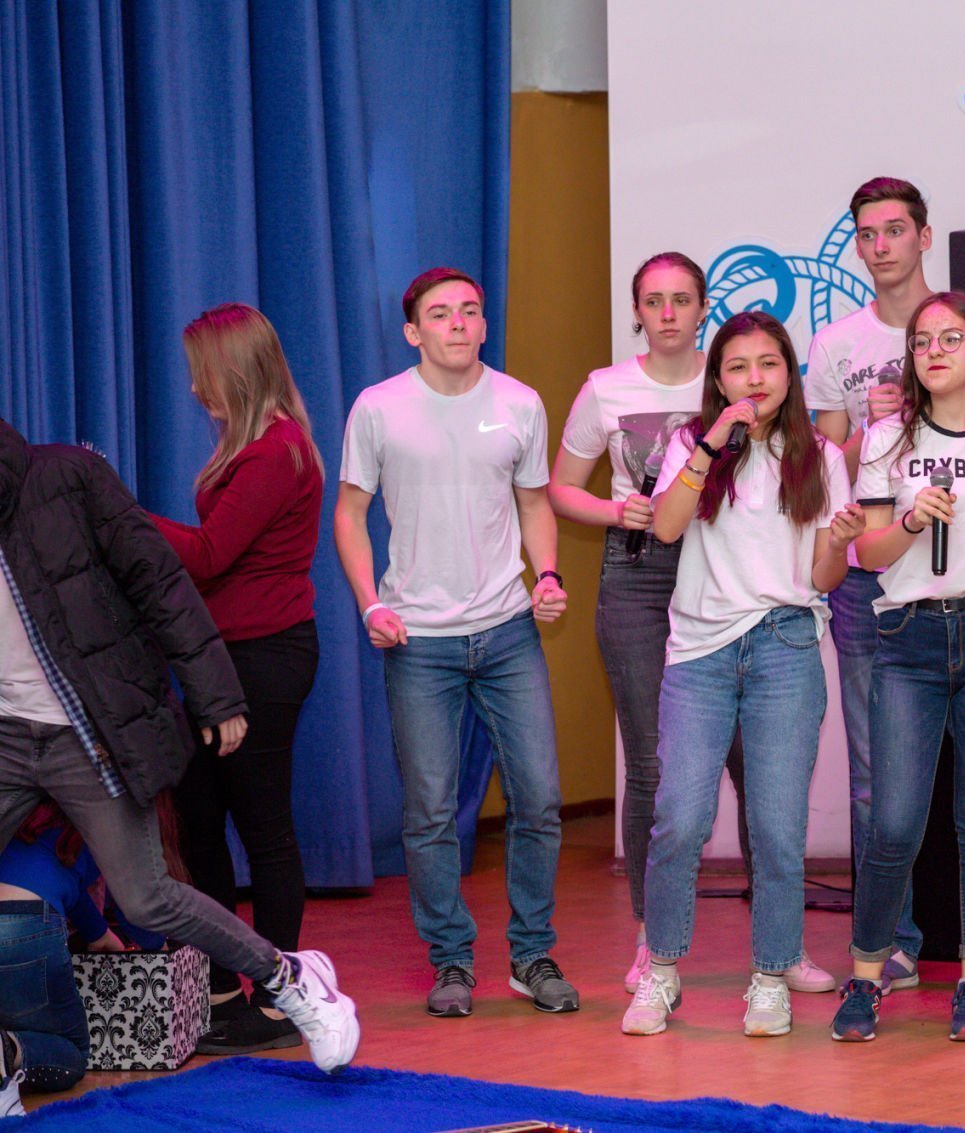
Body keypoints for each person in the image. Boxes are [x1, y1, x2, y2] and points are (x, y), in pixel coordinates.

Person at [0, 415, 358, 1082]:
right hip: (7, 733)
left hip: (86, 728)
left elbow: (161, 582)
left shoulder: (68, 478)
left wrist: (216, 693)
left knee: (146, 897)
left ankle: (291, 978)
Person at [807, 177, 965, 999]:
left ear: (923, 236)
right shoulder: (836, 344)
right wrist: (880, 426)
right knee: (881, 788)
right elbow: (830, 467)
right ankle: (892, 947)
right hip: (882, 590)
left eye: (894, 229)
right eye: (866, 233)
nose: (880, 245)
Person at [549, 254, 826, 996]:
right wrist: (618, 510)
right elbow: (561, 489)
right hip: (644, 567)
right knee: (655, 768)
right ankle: (655, 940)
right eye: (653, 301)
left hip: (736, 574)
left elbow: (812, 486)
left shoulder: (746, 381)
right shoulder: (609, 389)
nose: (668, 312)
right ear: (637, 311)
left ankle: (780, 943)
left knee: (762, 775)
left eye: (682, 299)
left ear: (704, 309)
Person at [333, 267, 573, 1018]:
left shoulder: (520, 403)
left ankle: (531, 954)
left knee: (540, 800)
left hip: (508, 631)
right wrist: (370, 604)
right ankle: (452, 962)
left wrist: (548, 573)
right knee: (430, 813)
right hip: (418, 640)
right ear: (414, 332)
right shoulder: (378, 408)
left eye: (470, 310)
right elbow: (349, 513)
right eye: (441, 314)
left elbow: (535, 503)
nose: (459, 323)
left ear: (483, 325)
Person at [619, 311, 861, 1038]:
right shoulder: (692, 443)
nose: (755, 378)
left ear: (790, 372)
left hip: (785, 642)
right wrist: (710, 445)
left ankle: (770, 977)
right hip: (700, 651)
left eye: (768, 364)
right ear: (718, 380)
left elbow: (822, 576)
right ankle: (661, 973)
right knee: (678, 818)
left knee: (778, 827)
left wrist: (840, 545)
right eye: (737, 366)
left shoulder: (820, 454)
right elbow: (666, 527)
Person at [147, 303, 324, 1054]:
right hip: (221, 658)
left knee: (263, 826)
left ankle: (280, 1001)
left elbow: (211, 554)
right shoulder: (253, 446)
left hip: (263, 658)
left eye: (204, 374)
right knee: (199, 822)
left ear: (237, 373)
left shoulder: (276, 452)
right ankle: (221, 986)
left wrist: (121, 516)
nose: (194, 389)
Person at [0, 804, 133, 1115]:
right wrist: (157, 945)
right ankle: (6, 1049)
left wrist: (99, 932)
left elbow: (66, 884)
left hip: (22, 919)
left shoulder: (22, 813)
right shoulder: (98, 815)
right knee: (72, 1054)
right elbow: (139, 902)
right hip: (23, 925)